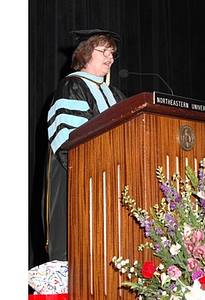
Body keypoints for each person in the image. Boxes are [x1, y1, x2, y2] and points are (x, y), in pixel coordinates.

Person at [43, 29, 126, 261]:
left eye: (112, 53)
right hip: (81, 181)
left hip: (113, 181)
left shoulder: (115, 94)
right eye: (104, 51)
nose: (110, 57)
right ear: (86, 53)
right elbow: (69, 141)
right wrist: (94, 172)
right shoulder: (72, 87)